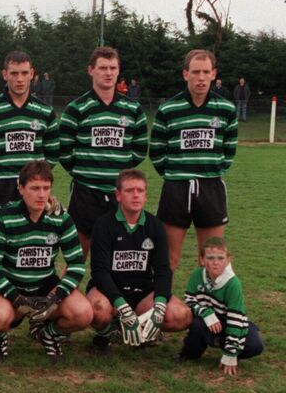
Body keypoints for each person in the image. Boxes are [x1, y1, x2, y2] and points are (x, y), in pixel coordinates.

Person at [0, 51, 60, 343]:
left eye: (24, 73)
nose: (19, 79)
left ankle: (40, 316)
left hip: (35, 195)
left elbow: (53, 154)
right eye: (14, 73)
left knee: (38, 253)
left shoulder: (44, 112)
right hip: (0, 190)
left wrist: (36, 182)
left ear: (32, 74)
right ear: (4, 74)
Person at [0, 161, 92, 362]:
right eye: (34, 188)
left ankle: (48, 333)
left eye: (46, 188)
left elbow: (76, 264)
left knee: (83, 313)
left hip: (45, 287)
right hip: (12, 287)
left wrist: (54, 297)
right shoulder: (3, 217)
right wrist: (17, 299)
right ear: (20, 188)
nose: (41, 194)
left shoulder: (61, 217)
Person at [149, 49, 237, 271]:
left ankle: (209, 305)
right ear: (185, 74)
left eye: (206, 72)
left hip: (211, 187)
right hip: (176, 188)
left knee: (212, 257)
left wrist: (210, 169)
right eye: (195, 72)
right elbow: (157, 151)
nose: (201, 78)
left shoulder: (226, 109)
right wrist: (175, 174)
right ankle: (162, 304)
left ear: (214, 74)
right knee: (168, 259)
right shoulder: (169, 109)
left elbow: (229, 151)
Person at [87, 169, 192, 353]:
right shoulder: (104, 225)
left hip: (142, 293)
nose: (136, 195)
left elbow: (162, 270)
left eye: (140, 191)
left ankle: (144, 332)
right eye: (129, 191)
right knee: (97, 309)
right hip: (110, 292)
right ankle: (106, 333)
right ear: (118, 195)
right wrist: (122, 306)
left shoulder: (156, 226)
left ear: (145, 195)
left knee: (180, 315)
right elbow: (99, 272)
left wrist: (159, 306)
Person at [59, 46, 148, 258]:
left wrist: (118, 172)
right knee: (77, 259)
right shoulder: (76, 108)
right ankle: (70, 292)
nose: (108, 73)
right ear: (91, 70)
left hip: (119, 193)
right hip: (85, 193)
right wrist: (85, 171)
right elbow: (64, 151)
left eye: (113, 68)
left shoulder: (133, 109)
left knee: (117, 258)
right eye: (103, 68)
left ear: (118, 71)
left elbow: (139, 150)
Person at [178, 237, 264, 376]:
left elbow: (236, 318)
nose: (215, 262)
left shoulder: (233, 283)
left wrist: (231, 351)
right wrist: (206, 312)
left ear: (228, 260)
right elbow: (189, 299)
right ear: (202, 259)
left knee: (256, 346)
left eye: (221, 258)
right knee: (196, 325)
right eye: (210, 258)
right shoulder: (197, 275)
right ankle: (189, 353)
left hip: (229, 320)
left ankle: (226, 348)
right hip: (206, 321)